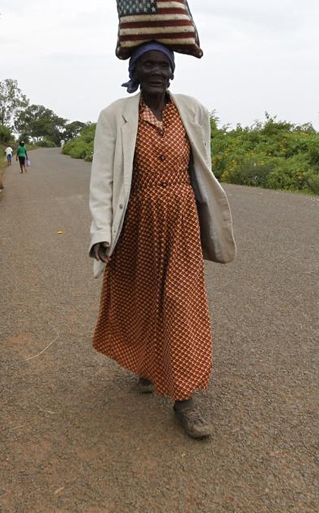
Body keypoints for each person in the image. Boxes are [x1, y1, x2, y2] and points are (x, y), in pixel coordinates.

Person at [88, 41, 235, 439]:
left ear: (173, 71)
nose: (156, 71)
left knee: (180, 301)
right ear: (134, 72)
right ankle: (147, 364)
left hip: (182, 219)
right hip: (136, 219)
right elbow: (102, 178)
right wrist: (101, 232)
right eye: (147, 65)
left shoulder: (192, 110)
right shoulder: (114, 115)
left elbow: (202, 165)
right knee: (139, 296)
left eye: (163, 65)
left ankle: (184, 398)